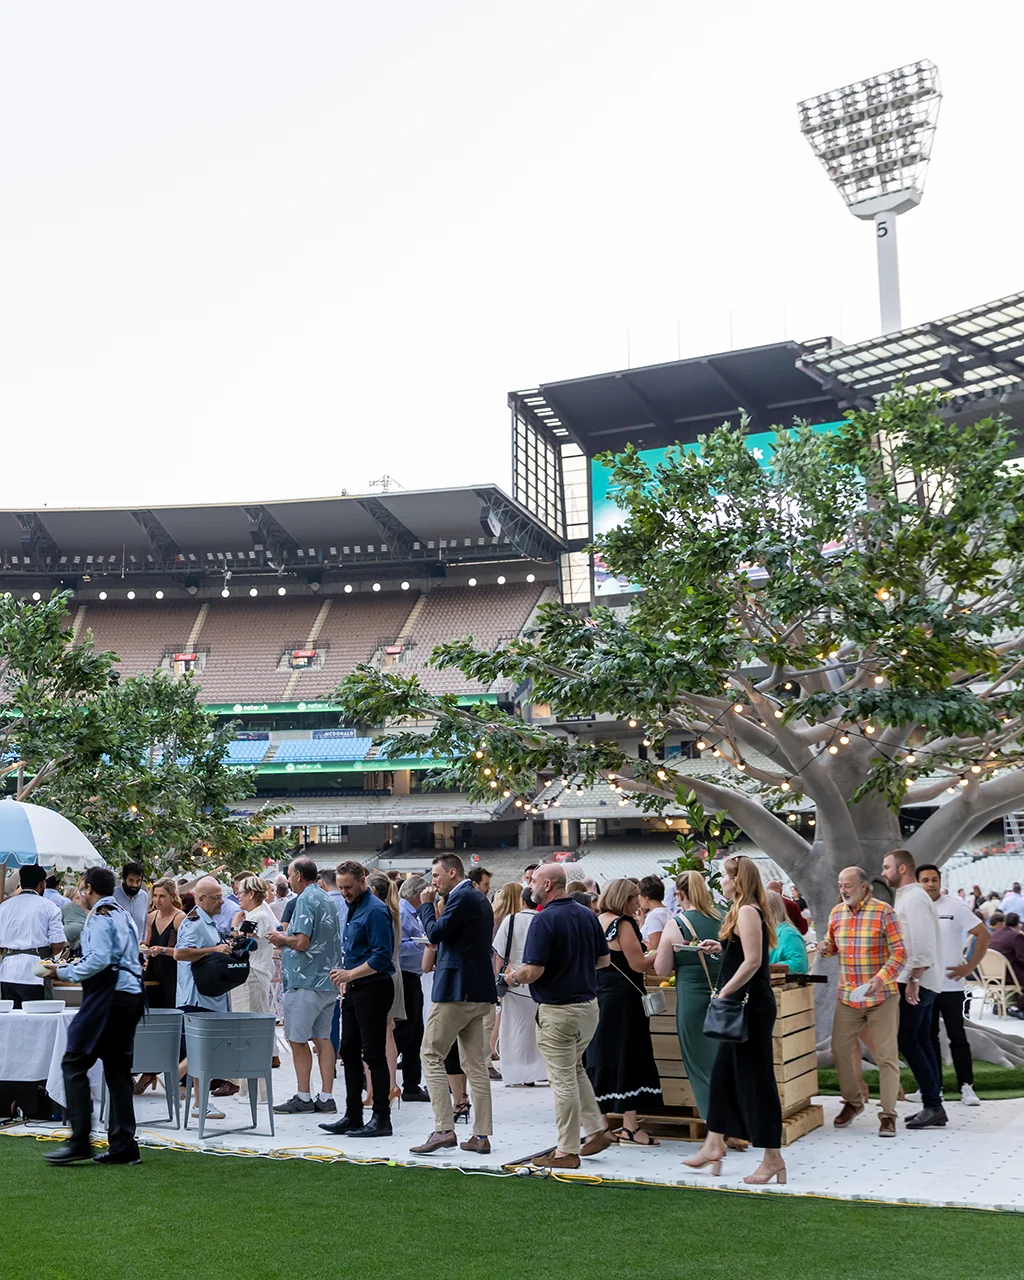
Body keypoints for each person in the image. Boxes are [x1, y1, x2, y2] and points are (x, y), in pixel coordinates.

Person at [502, 862, 612, 1170]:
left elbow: (534, 970)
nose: (530, 884)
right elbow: (603, 960)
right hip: (588, 1008)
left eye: (534, 879)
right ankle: (597, 1129)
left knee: (562, 1080)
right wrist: (574, 968)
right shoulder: (587, 915)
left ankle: (566, 1150)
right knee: (575, 1070)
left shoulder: (544, 919)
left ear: (548, 885)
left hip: (558, 1011)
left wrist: (512, 977)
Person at [684, 855, 785, 1184]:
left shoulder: (746, 910)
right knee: (724, 1075)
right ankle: (714, 1143)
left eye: (726, 877)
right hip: (748, 1003)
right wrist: (721, 949)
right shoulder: (744, 910)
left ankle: (772, 1157)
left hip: (749, 1005)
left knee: (757, 1081)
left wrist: (723, 992)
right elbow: (745, 955)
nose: (721, 882)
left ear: (737, 880)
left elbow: (754, 962)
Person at [41, 866, 145, 1166]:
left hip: (109, 997)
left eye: (81, 886)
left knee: (74, 1060)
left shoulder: (100, 916)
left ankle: (80, 1141)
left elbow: (98, 960)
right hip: (131, 996)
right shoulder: (122, 913)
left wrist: (60, 970)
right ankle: (124, 1145)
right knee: (117, 1070)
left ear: (87, 887)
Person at [410, 854, 496, 1156]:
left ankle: (444, 1128)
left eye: (436, 875)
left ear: (451, 872)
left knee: (430, 1053)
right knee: (476, 1065)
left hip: (457, 990)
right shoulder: (477, 898)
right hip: (477, 990)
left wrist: (425, 906)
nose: (433, 881)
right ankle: (481, 1135)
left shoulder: (462, 897)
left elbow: (435, 934)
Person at [816, 866, 906, 1137]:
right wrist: (824, 948)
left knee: (887, 1056)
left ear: (864, 886)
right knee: (839, 1048)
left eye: (848, 886)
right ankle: (854, 1102)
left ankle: (888, 1114)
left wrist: (881, 978)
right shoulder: (837, 913)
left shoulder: (884, 912)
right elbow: (831, 946)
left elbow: (900, 952)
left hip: (881, 995)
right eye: (840, 885)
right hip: (848, 996)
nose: (843, 890)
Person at [320, 861, 395, 1137]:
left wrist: (349, 974)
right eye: (340, 888)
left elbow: (381, 957)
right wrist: (347, 978)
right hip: (355, 987)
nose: (344, 892)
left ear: (363, 879)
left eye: (348, 887)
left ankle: (381, 1118)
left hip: (373, 986)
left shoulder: (375, 910)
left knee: (373, 1054)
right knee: (348, 1051)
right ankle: (353, 1114)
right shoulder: (354, 907)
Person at [584, 878, 662, 1144]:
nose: (637, 903)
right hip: (624, 999)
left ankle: (602, 1125)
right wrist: (662, 953)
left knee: (602, 1055)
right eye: (633, 899)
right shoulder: (623, 924)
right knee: (629, 1054)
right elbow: (638, 964)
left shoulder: (596, 921)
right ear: (624, 899)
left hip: (600, 995)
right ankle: (630, 1125)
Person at [268, 856, 341, 1116]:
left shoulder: (304, 900)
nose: (288, 880)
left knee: (297, 1040)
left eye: (289, 875)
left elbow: (301, 942)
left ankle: (303, 1096)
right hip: (326, 981)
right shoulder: (325, 897)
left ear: (299, 875)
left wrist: (279, 938)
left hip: (305, 980)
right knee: (323, 1039)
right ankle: (326, 1096)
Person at [881, 848, 945, 1129]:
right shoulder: (910, 897)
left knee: (908, 1040)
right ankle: (933, 1101)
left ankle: (933, 1104)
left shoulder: (915, 898)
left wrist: (914, 978)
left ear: (902, 868)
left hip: (916, 981)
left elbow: (921, 942)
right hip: (918, 980)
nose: (883, 872)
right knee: (919, 1039)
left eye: (887, 867)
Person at [917, 864, 989, 1107]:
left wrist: (969, 967)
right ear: (918, 883)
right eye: (925, 880)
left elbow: (983, 934)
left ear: (940, 881)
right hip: (924, 985)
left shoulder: (955, 907)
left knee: (957, 1036)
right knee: (928, 1037)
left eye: (934, 879)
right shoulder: (913, 908)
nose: (930, 884)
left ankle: (966, 1086)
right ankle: (931, 1087)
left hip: (951, 985)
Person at [653, 870, 722, 1121]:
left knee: (699, 1065)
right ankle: (736, 1124)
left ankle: (716, 1127)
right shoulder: (724, 918)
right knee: (726, 1061)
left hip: (692, 999)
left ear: (679, 894)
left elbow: (661, 969)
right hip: (724, 998)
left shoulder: (677, 924)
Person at [173, 876, 235, 1120]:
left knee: (206, 1050)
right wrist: (214, 950)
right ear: (200, 899)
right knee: (204, 1049)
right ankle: (177, 1078)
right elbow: (180, 953)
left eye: (221, 896)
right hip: (197, 997)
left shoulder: (208, 922)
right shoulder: (195, 922)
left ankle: (200, 1102)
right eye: (216, 897)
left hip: (208, 996)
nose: (221, 901)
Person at [491, 883, 545, 1086]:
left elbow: (499, 954)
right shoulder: (543, 920)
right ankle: (538, 1070)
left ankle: (517, 1072)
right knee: (537, 1030)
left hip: (513, 981)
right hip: (539, 982)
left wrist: (499, 979)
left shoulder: (511, 920)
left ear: (522, 901)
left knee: (514, 1030)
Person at [0, 864, 66, 1006]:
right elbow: (58, 944)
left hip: (6, 972)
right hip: (35, 974)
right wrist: (44, 955)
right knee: (35, 1022)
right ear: (42, 884)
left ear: (20, 883)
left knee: (10, 1021)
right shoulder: (49, 907)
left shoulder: (4, 907)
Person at [368, 872, 406, 1103]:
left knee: (373, 1032)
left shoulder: (376, 913)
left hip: (379, 973)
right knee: (388, 1031)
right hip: (395, 971)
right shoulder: (394, 913)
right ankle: (391, 1084)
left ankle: (375, 1087)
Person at [394, 876, 430, 1102]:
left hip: (413, 975)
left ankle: (411, 1084)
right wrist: (421, 942)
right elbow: (398, 946)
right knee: (405, 1030)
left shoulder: (411, 913)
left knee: (416, 1032)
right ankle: (379, 1073)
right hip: (404, 976)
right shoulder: (402, 912)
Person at [143, 878, 187, 1010]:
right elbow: (148, 942)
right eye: (155, 896)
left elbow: (185, 950)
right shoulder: (152, 916)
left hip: (172, 971)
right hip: (153, 970)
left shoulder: (179, 918)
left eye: (162, 896)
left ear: (172, 896)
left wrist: (162, 950)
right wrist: (143, 945)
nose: (157, 900)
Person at [766, 891, 809, 974]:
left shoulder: (788, 933)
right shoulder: (765, 930)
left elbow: (798, 964)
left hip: (783, 984)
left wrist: (769, 969)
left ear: (769, 909)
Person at [989, 912, 1024, 1012]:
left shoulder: (994, 935)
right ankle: (1016, 1007)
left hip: (991, 974)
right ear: (1018, 924)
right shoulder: (1016, 937)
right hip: (1008, 975)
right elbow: (1022, 958)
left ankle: (1000, 1004)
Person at [113, 862, 149, 942]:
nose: (135, 885)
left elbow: (145, 923)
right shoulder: (112, 896)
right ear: (124, 879)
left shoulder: (144, 896)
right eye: (131, 880)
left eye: (138, 881)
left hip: (137, 950)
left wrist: (143, 941)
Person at [637, 875, 670, 949]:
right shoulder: (667, 912)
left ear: (646, 897)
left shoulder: (654, 916)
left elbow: (655, 947)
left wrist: (636, 939)